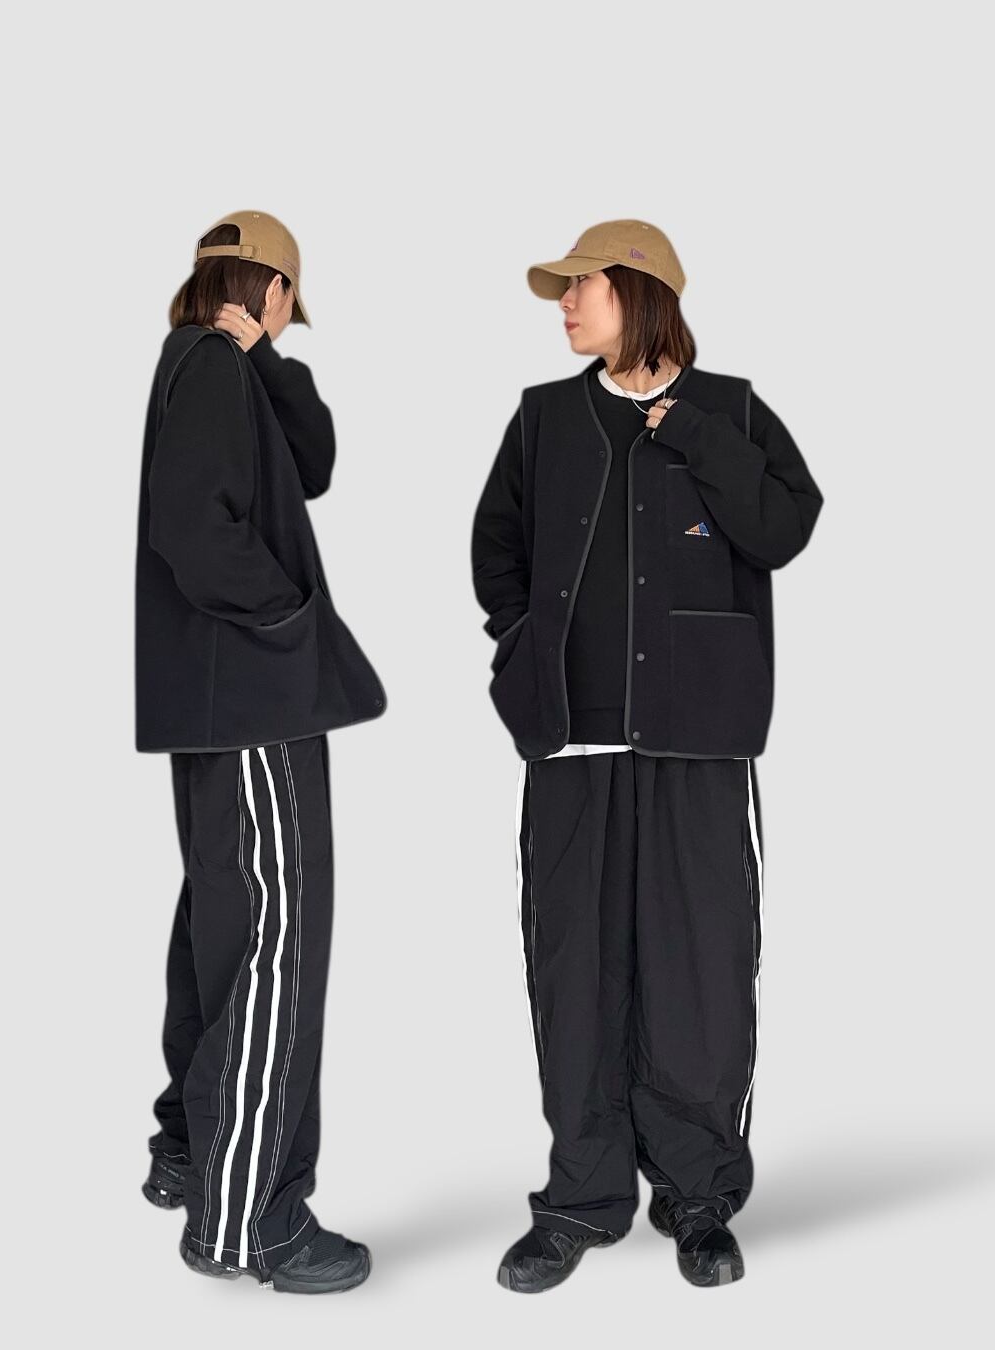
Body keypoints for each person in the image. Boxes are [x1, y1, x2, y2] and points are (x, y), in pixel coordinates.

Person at [471, 220, 823, 1291]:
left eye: (582, 285)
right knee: (574, 971)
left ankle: (699, 1196)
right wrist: (527, 652)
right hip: (571, 745)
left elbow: (783, 527)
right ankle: (581, 1198)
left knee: (699, 970)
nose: (565, 304)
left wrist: (697, 435)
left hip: (700, 743)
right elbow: (496, 553)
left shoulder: (733, 411)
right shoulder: (543, 419)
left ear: (641, 294)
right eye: (564, 289)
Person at [135, 210, 386, 1294]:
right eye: (290, 303)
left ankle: (191, 1153)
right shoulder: (208, 369)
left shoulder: (219, 366)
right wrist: (287, 618)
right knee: (274, 939)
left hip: (223, 701)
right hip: (252, 701)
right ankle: (250, 1222)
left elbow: (313, 464)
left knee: (224, 925)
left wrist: (268, 361)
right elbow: (195, 531)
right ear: (274, 289)